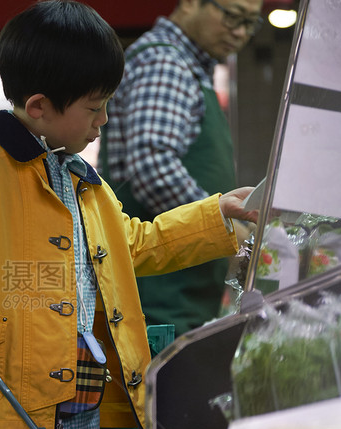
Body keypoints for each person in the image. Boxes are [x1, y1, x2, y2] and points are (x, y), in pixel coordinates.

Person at [0, 0, 257, 429]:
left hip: (85, 400)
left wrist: (216, 214)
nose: (104, 121)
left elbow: (134, 244)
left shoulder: (80, 179)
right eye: (94, 108)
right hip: (3, 406)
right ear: (39, 107)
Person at [101, 0, 264, 337]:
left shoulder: (189, 67)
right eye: (232, 16)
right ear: (190, 3)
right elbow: (152, 165)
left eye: (250, 23)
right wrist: (227, 226)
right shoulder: (165, 62)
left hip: (179, 288)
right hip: (157, 291)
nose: (240, 32)